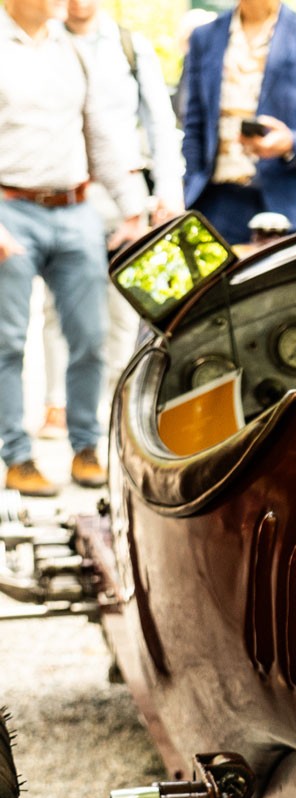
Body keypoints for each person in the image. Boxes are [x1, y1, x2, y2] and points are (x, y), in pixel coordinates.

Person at [0, 0, 147, 495]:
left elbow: (99, 133)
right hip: (10, 209)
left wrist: (132, 207)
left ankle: (85, 447)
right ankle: (17, 456)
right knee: (8, 341)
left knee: (91, 336)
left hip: (75, 208)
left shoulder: (73, 49)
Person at [30, 0, 182, 446]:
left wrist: (167, 191)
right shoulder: (43, 44)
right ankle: (58, 403)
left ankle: (116, 403)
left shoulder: (130, 47)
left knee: (123, 309)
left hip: (125, 197)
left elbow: (160, 124)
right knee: (60, 307)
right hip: (67, 192)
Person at [181, 0, 296, 244]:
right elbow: (194, 125)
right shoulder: (204, 37)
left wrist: (290, 143)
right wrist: (190, 185)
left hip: (291, 213)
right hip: (217, 208)